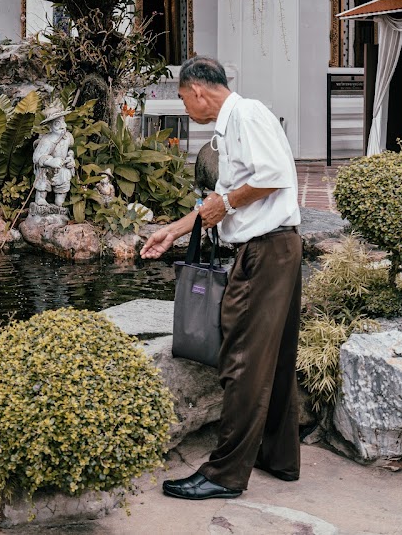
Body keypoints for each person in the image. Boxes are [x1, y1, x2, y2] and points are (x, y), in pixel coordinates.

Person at [141, 56, 302, 500]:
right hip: (276, 249)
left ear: (196, 90)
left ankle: (225, 475)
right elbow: (219, 202)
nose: (184, 107)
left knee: (242, 361)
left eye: (180, 97)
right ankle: (279, 457)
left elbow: (274, 177)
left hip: (266, 252)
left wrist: (227, 205)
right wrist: (173, 231)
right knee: (277, 357)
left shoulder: (246, 115)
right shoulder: (231, 126)